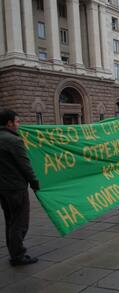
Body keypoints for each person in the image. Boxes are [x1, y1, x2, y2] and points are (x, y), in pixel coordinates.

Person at [0, 110, 40, 266]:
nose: (19, 124)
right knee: (20, 222)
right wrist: (35, 183)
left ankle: (13, 251)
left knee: (10, 220)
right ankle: (18, 255)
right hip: (16, 187)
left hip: (3, 188)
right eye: (17, 121)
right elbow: (25, 165)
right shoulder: (14, 141)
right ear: (9, 123)